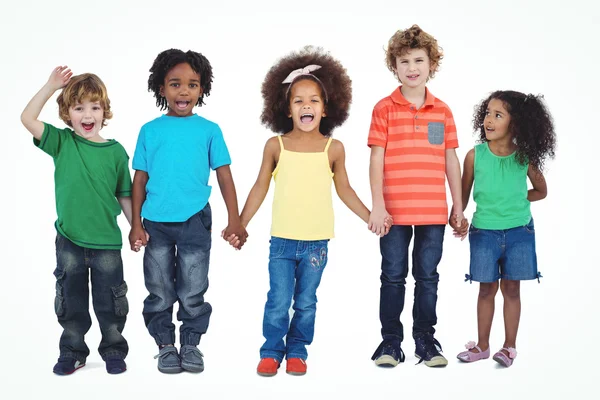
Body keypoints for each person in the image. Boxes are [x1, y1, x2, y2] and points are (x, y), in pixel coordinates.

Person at [226, 46, 389, 376]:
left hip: (316, 243)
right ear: (286, 109)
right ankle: (272, 350)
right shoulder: (276, 145)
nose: (306, 105)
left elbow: (344, 189)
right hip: (282, 242)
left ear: (326, 108)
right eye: (298, 100)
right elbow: (260, 187)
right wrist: (240, 223)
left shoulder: (334, 148)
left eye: (313, 99)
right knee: (277, 300)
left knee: (305, 303)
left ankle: (298, 351)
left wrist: (370, 214)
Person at [129, 49, 248, 374]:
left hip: (195, 219)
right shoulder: (150, 130)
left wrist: (235, 219)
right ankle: (165, 345)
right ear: (161, 88)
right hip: (155, 222)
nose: (184, 91)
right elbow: (139, 179)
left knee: (193, 288)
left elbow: (224, 175)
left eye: (192, 85)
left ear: (202, 89)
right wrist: (136, 223)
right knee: (160, 288)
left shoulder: (209, 130)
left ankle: (192, 343)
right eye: (175, 84)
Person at [21, 66, 138, 375]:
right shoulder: (61, 143)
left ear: (104, 112)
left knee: (111, 303)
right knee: (71, 301)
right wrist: (50, 86)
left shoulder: (116, 152)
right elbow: (28, 119)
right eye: (79, 107)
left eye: (95, 107)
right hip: (69, 239)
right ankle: (73, 351)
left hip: (107, 243)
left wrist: (136, 228)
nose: (88, 114)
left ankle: (113, 349)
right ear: (67, 113)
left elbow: (124, 195)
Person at [368, 24, 463, 368]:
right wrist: (377, 206)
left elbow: (449, 158)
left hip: (433, 212)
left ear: (431, 64)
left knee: (428, 277)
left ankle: (425, 339)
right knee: (393, 275)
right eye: (404, 60)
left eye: (418, 60)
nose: (412, 67)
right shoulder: (384, 109)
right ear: (394, 66)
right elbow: (376, 157)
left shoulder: (442, 111)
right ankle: (391, 342)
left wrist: (458, 205)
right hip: (393, 212)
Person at [453, 90, 556, 367]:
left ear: (516, 123)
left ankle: (509, 347)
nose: (489, 119)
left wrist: (517, 199)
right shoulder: (475, 156)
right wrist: (457, 216)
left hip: (519, 233)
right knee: (486, 290)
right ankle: (482, 346)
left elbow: (541, 191)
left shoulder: (524, 157)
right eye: (487, 112)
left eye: (498, 115)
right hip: (483, 233)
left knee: (512, 290)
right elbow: (462, 196)